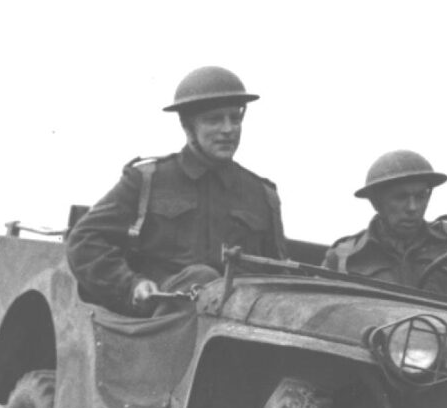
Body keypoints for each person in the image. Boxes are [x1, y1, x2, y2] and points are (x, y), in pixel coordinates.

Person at [67, 66, 286, 315]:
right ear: (187, 126)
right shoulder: (148, 180)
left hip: (233, 325)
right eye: (214, 119)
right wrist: (131, 284)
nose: (228, 129)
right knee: (201, 276)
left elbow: (279, 276)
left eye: (234, 118)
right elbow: (84, 240)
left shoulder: (261, 194)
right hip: (162, 322)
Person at [323, 150, 447, 299]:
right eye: (401, 197)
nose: (413, 207)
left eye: (421, 196)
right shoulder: (345, 257)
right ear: (377, 202)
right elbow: (317, 307)